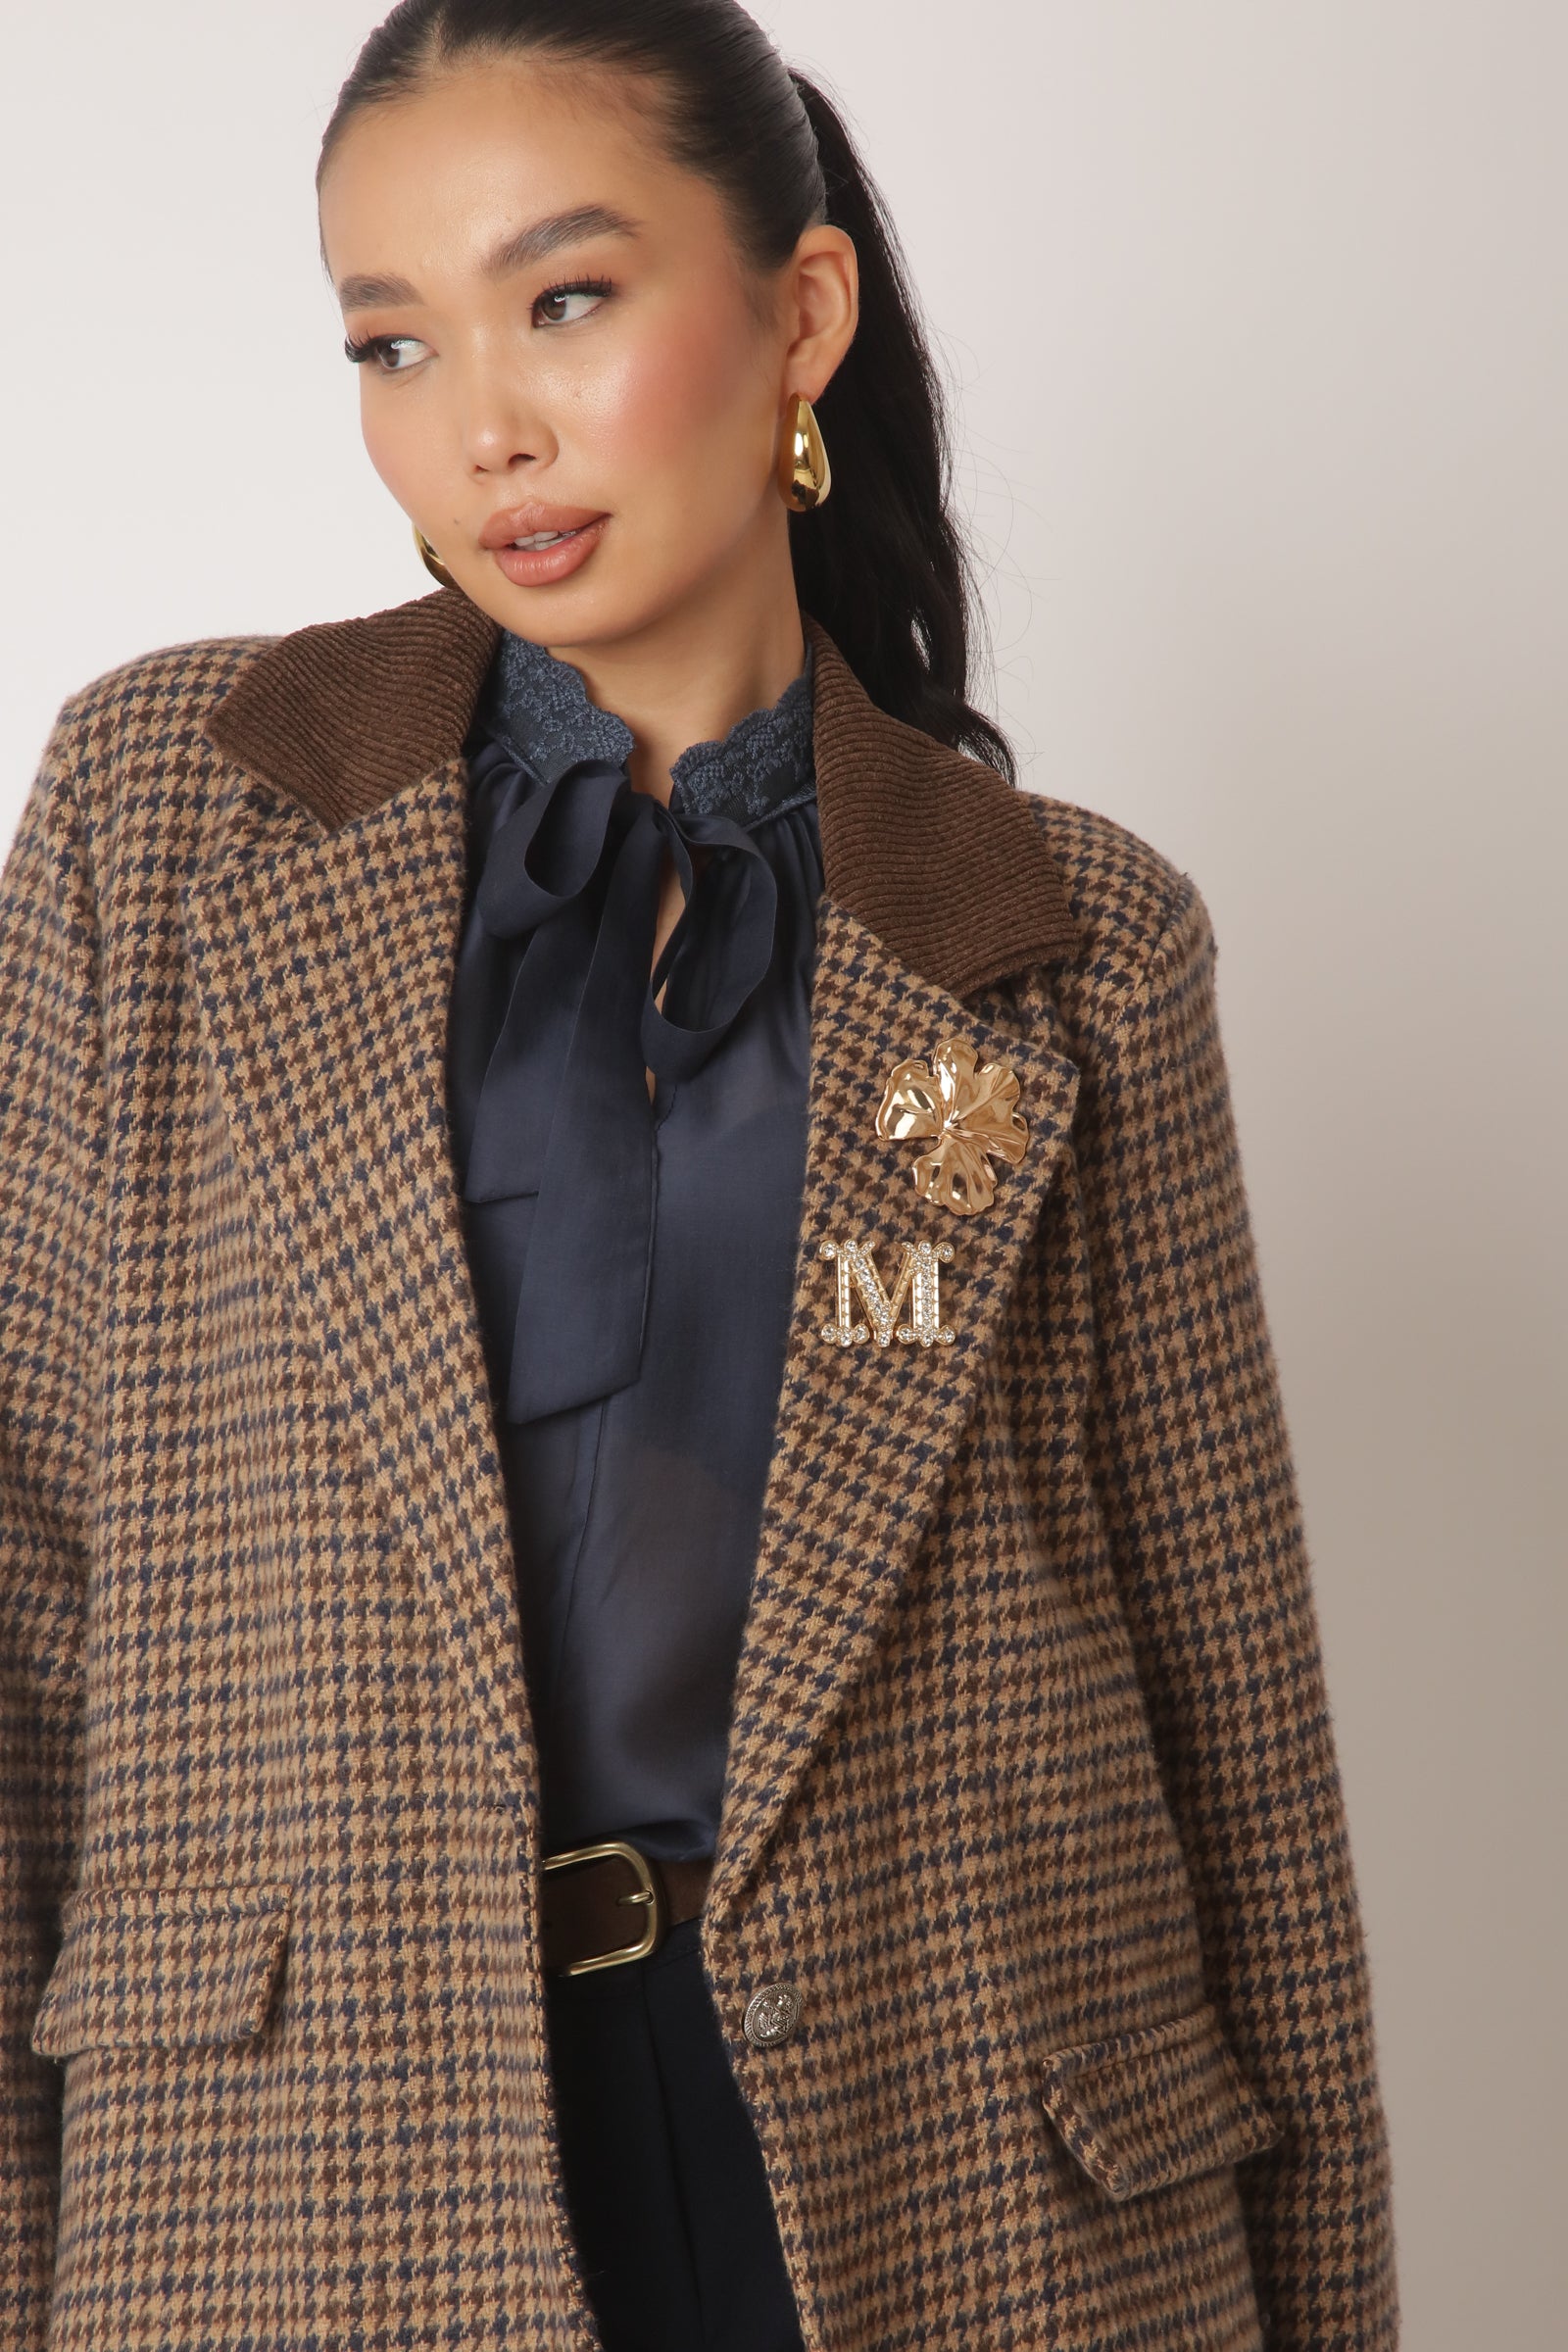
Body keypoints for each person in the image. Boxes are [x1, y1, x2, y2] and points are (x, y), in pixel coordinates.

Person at [0, 3, 1398, 2347]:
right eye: (389, 341)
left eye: (563, 299)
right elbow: (27, 1602)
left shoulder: (1059, 943)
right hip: (300, 2173)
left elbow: (1232, 1728)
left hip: (952, 2164)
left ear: (799, 316)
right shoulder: (168, 820)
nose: (481, 424)